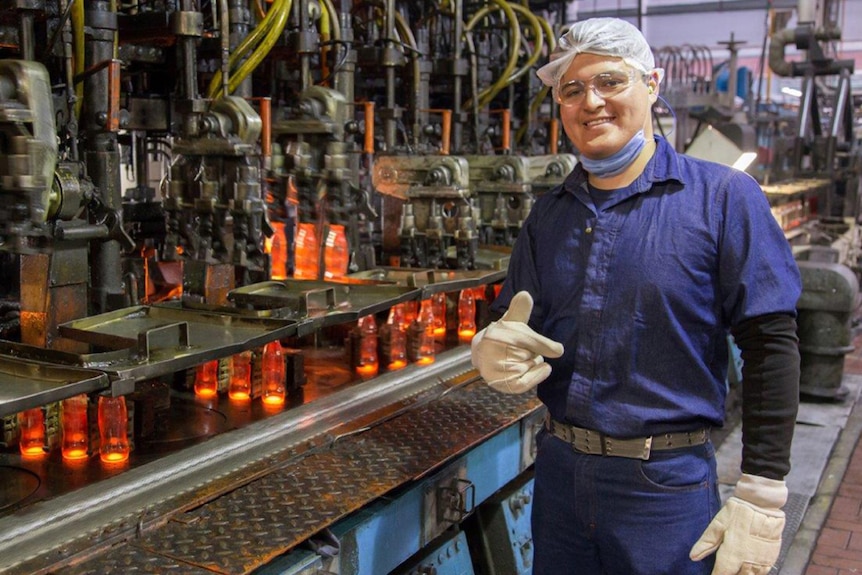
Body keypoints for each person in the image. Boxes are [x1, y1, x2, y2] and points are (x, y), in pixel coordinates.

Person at [470, 17, 802, 575]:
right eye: (571, 90)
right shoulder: (550, 215)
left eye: (609, 82)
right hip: (559, 473)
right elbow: (516, 319)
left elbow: (771, 343)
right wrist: (492, 343)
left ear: (652, 84)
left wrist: (762, 489)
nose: (590, 102)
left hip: (664, 489)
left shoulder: (721, 199)